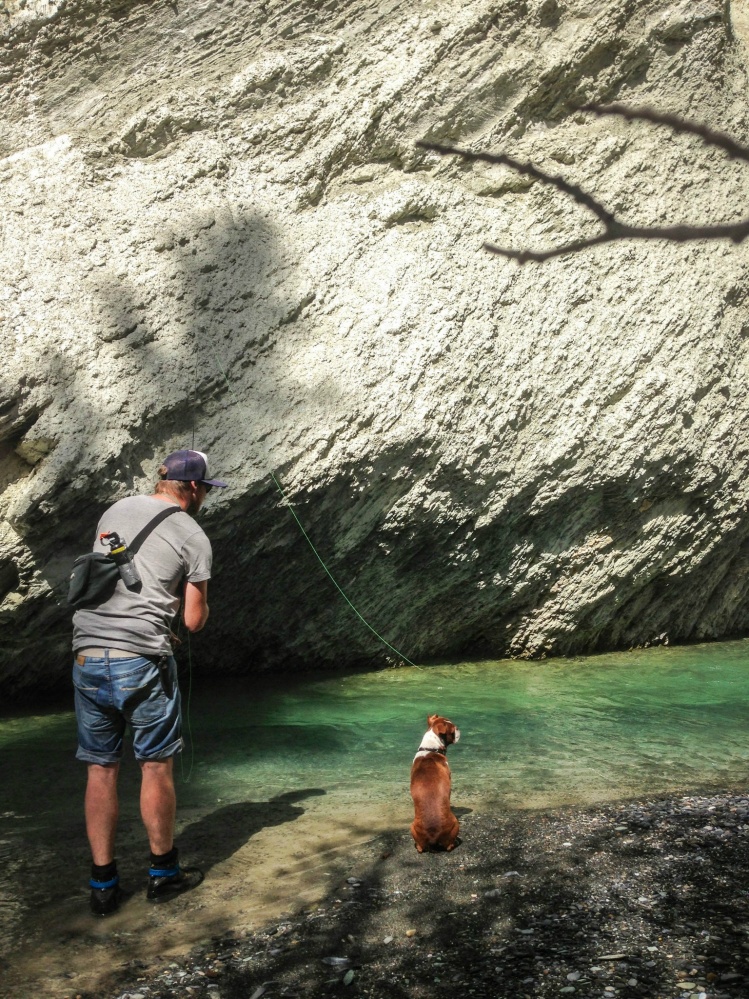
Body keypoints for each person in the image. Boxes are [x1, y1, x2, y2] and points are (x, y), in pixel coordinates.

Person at [72, 449, 227, 916]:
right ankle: (162, 874)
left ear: (162, 481)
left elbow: (114, 578)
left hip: (86, 656)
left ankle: (103, 886)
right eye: (205, 491)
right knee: (154, 767)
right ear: (195, 489)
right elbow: (194, 620)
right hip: (141, 661)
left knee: (101, 768)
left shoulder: (116, 509)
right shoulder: (193, 533)